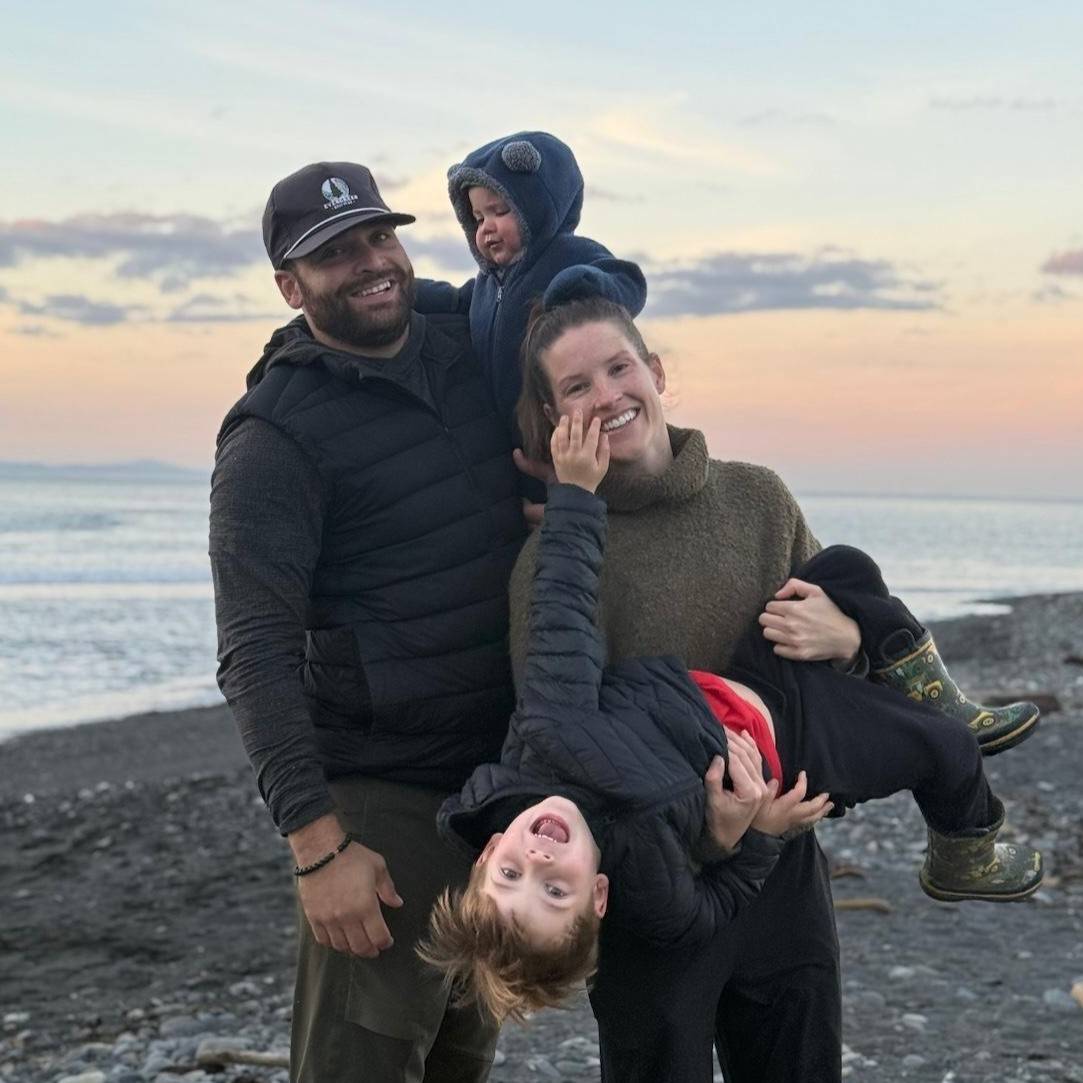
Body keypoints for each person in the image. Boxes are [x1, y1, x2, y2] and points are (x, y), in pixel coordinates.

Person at [502, 296, 1038, 1081]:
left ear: (655, 372)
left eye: (619, 367)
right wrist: (717, 834)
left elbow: (840, 696)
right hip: (660, 891)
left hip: (783, 867)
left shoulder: (756, 497)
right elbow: (560, 749)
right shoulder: (554, 559)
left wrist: (848, 640)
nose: (608, 394)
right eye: (577, 386)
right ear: (555, 417)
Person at [419, 411, 1042, 1026]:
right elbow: (705, 912)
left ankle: (932, 683)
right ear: (599, 896)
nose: (538, 858)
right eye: (556, 891)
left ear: (488, 853)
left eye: (510, 873)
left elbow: (562, 615)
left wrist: (575, 499)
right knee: (949, 749)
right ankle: (964, 849)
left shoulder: (549, 732)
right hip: (797, 751)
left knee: (846, 566)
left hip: (746, 681)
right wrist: (754, 836)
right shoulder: (649, 882)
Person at [209, 160, 525, 1083]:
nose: (371, 262)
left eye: (379, 236)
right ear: (290, 286)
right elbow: (254, 654)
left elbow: (561, 290)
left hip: (499, 783)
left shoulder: (465, 334)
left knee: (463, 1054)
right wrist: (318, 850)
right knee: (363, 1060)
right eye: (335, 253)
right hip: (384, 799)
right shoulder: (272, 438)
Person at [415, 130, 647, 443]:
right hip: (510, 439)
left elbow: (627, 281)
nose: (487, 227)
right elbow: (457, 301)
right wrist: (410, 293)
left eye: (500, 211)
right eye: (478, 218)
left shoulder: (568, 254)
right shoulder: (489, 284)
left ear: (536, 206)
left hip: (566, 431)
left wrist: (581, 286)